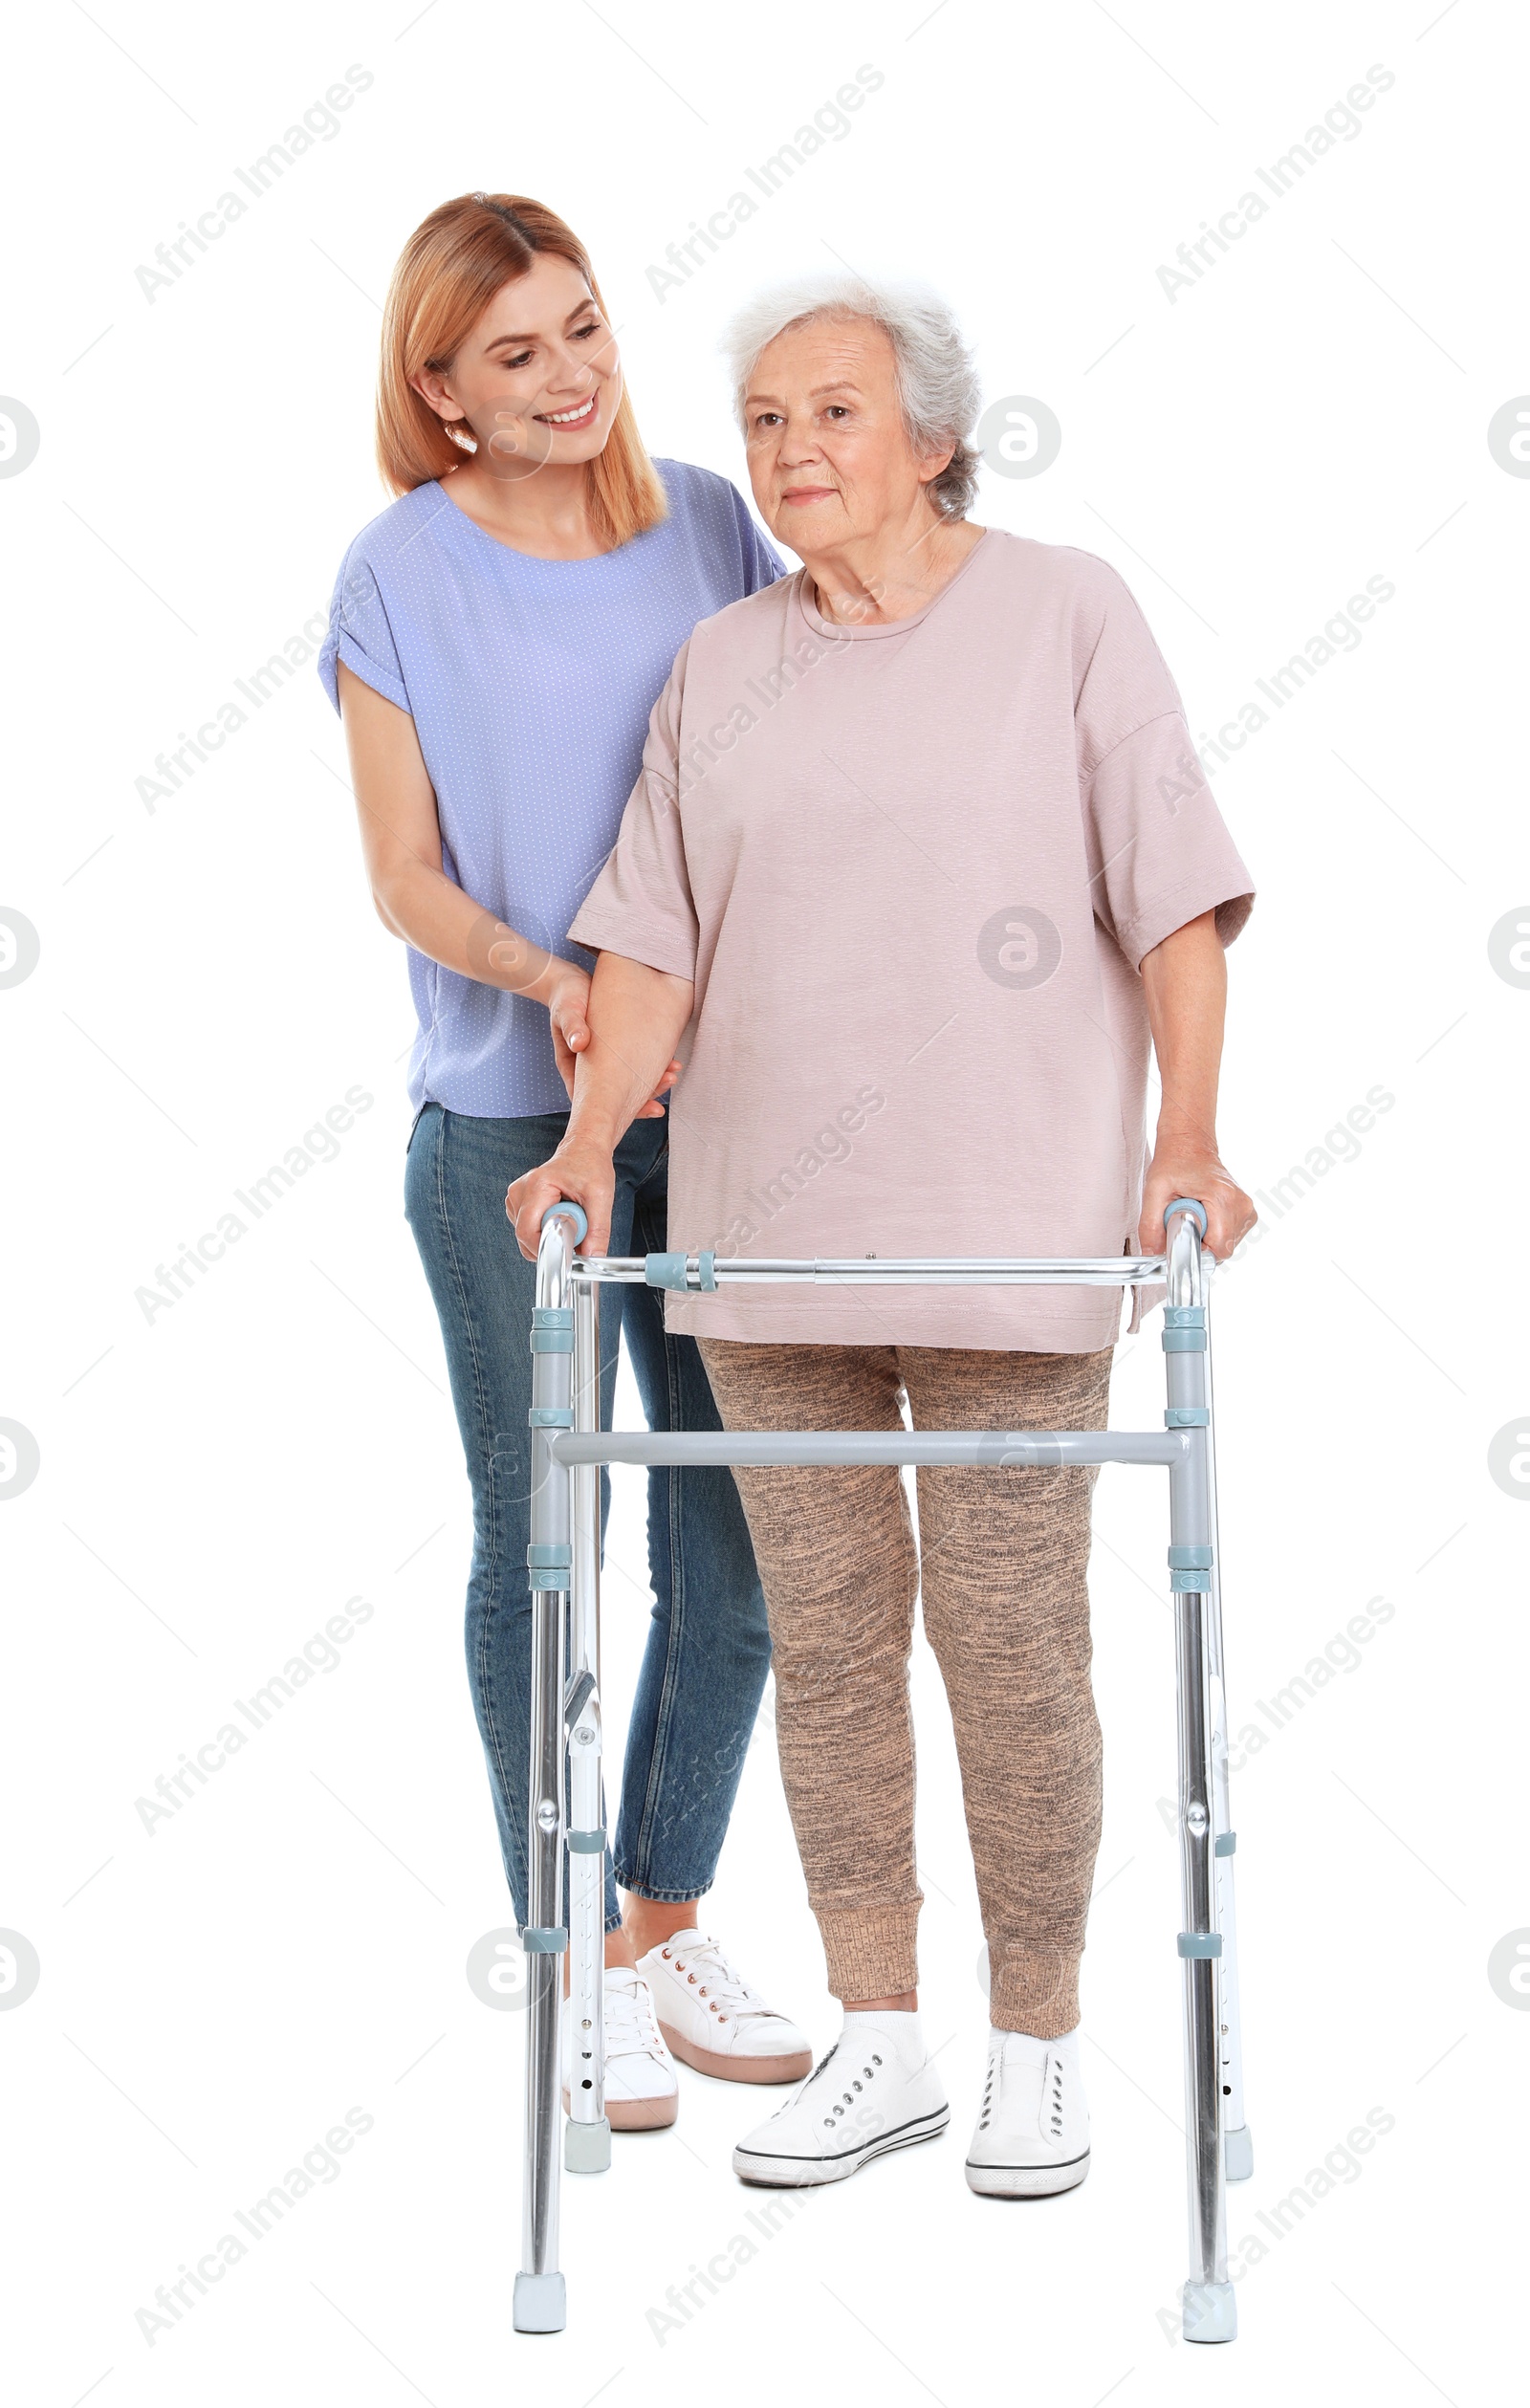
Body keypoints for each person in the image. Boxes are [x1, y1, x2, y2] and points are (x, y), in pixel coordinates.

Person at [507, 272, 1257, 2195]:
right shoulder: (719, 664)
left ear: (932, 437)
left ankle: (1035, 2039)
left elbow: (1167, 889)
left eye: (829, 412)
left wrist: (1188, 1136)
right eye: (759, 421)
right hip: (770, 1245)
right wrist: (588, 1135)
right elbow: (652, 934)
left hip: (1015, 1232)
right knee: (826, 1651)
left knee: (1008, 1644)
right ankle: (881, 2037)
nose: (783, 451)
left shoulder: (1063, 612)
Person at [319, 195, 813, 2132]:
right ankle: (557, 1946)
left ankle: (656, 1919)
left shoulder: (709, 520)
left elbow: (797, 772)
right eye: (510, 351)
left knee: (739, 1540)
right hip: (513, 1113)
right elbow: (403, 873)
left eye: (583, 327)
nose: (564, 372)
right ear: (437, 388)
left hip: (731, 1106)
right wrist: (549, 981)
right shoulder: (396, 571)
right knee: (546, 1535)